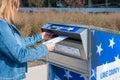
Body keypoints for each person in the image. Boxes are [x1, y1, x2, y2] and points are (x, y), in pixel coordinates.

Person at [0, 0, 55, 80]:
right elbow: (20, 55)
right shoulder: (2, 27)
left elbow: (19, 44)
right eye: (16, 5)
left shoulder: (4, 24)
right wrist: (45, 48)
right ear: (9, 6)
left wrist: (40, 37)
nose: (17, 9)